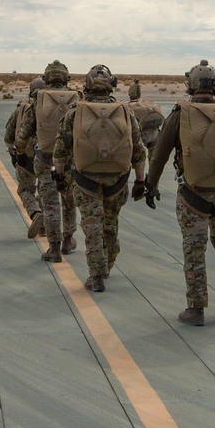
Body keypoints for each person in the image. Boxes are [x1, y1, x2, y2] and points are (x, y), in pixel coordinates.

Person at [144, 59, 215, 326]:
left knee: (194, 250)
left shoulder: (181, 113)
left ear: (190, 85)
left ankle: (196, 309)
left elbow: (160, 153)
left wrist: (151, 185)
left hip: (194, 196)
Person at [52, 65, 147, 292]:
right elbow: (139, 150)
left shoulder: (75, 113)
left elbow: (60, 149)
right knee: (110, 225)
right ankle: (108, 265)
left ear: (87, 84)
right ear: (111, 85)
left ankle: (96, 277)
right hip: (118, 181)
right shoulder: (125, 111)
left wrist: (59, 176)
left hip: (85, 181)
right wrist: (141, 181)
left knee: (92, 228)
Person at [15, 60, 81, 262]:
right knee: (69, 201)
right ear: (65, 78)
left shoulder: (38, 99)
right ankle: (69, 240)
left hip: (44, 159)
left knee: (50, 204)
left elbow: (23, 133)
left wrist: (19, 150)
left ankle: (54, 248)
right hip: (70, 161)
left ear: (47, 78)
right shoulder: (79, 98)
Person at [5, 77, 46, 238]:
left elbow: (8, 136)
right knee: (45, 191)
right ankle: (45, 227)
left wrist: (15, 155)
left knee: (25, 190)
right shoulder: (51, 110)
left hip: (25, 158)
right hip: (46, 158)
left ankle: (35, 213)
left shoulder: (21, 109)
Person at [125, 79, 165, 151]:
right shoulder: (148, 103)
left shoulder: (129, 106)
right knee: (152, 156)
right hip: (155, 133)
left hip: (142, 135)